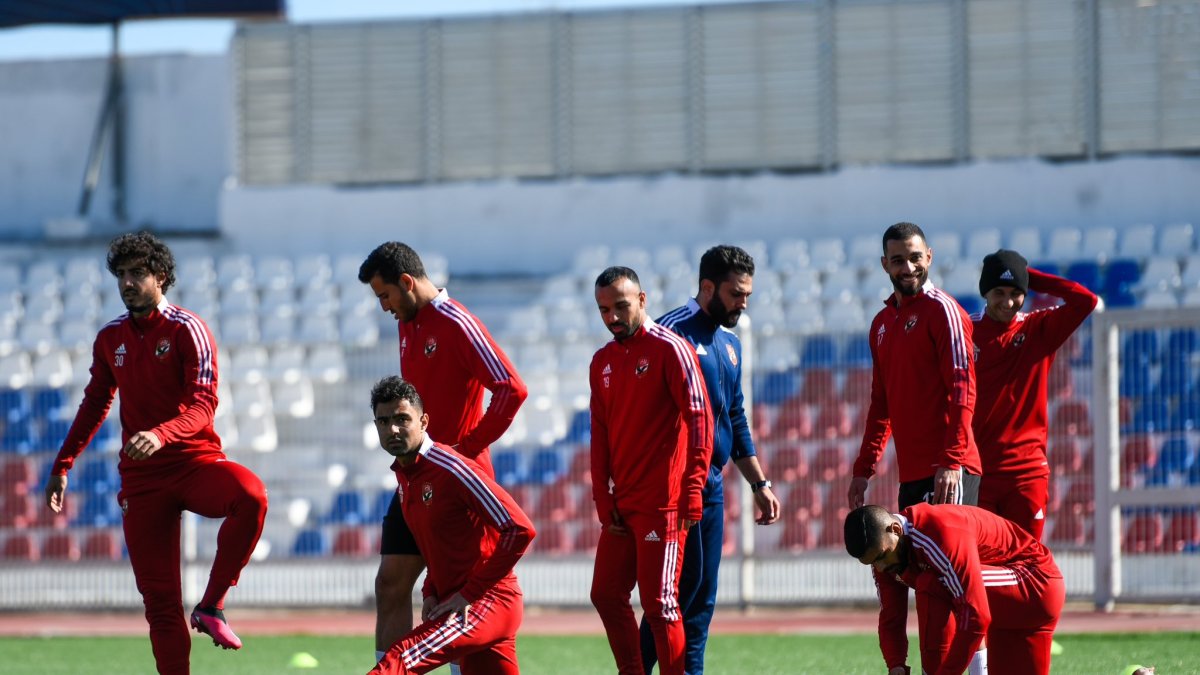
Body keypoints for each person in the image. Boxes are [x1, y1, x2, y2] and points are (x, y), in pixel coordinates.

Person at [43, 232, 268, 674]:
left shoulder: (189, 329)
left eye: (137, 273)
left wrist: (163, 434)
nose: (127, 282)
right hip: (143, 480)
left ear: (161, 277)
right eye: (121, 274)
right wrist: (62, 464)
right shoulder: (110, 338)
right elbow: (94, 402)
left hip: (194, 463)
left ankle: (212, 605)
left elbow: (204, 404)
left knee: (251, 495)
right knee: (161, 606)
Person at [358, 242, 528, 664]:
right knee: (391, 583)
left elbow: (512, 388)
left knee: (458, 587)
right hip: (413, 477)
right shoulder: (408, 322)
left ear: (407, 282)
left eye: (385, 296)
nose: (384, 307)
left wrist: (466, 451)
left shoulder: (458, 323)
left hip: (456, 483)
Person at [639, 245, 780, 674]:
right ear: (707, 287)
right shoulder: (667, 334)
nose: (743, 303)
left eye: (747, 295)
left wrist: (759, 484)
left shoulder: (731, 343)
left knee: (702, 598)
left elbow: (734, 417)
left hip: (712, 483)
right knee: (674, 594)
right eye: (736, 294)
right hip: (673, 486)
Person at [589, 266, 714, 675]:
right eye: (604, 309)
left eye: (620, 306)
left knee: (660, 602)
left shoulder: (670, 349)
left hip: (664, 502)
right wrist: (601, 496)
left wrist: (693, 487)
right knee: (606, 594)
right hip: (622, 503)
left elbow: (701, 419)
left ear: (642, 301)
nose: (612, 317)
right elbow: (600, 433)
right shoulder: (602, 361)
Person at [367, 376, 535, 675]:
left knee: (400, 660)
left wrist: (471, 593)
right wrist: (431, 589)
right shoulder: (406, 476)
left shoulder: (452, 467)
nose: (392, 429)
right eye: (383, 421)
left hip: (488, 602)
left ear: (424, 421)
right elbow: (439, 544)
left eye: (402, 419)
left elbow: (520, 529)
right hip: (459, 603)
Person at [848, 222, 982, 512]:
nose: (908, 267)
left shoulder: (943, 311)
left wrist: (951, 460)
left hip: (949, 471)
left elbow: (964, 390)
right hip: (911, 475)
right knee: (918, 559)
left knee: (948, 558)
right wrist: (863, 469)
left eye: (915, 257)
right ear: (885, 265)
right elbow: (881, 404)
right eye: (898, 260)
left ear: (929, 257)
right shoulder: (881, 324)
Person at [845, 504, 1065, 675]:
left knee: (934, 584)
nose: (881, 567)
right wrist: (896, 664)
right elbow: (891, 617)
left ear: (895, 529)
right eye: (872, 563)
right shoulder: (884, 556)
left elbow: (976, 615)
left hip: (1036, 582)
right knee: (948, 584)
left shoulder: (939, 532)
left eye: (882, 556)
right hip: (1007, 604)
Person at [972, 250, 1099, 539]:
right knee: (982, 563)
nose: (1008, 302)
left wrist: (1031, 278)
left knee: (1027, 562)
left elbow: (1086, 301)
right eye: (999, 292)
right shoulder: (966, 331)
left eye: (1016, 293)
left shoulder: (1038, 329)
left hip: (1027, 473)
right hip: (979, 473)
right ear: (985, 292)